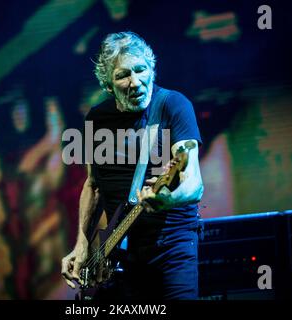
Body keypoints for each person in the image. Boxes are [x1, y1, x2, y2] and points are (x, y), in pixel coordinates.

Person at [61, 31, 204, 300]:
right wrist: (82, 244)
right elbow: (93, 186)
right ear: (108, 84)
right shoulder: (97, 118)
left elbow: (194, 184)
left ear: (152, 68)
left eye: (141, 70)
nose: (135, 82)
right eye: (123, 75)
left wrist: (169, 198)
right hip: (122, 249)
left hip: (172, 245)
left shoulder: (173, 105)